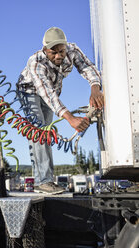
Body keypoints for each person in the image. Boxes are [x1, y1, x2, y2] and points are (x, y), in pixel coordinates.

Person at [16, 27, 104, 194]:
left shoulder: (72, 50)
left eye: (61, 51)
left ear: (65, 47)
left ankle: (45, 179)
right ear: (44, 49)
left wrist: (95, 87)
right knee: (39, 132)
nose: (58, 56)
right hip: (29, 92)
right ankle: (43, 181)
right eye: (53, 53)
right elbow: (47, 94)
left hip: (52, 92)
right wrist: (70, 119)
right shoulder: (35, 62)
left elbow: (87, 67)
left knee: (47, 134)